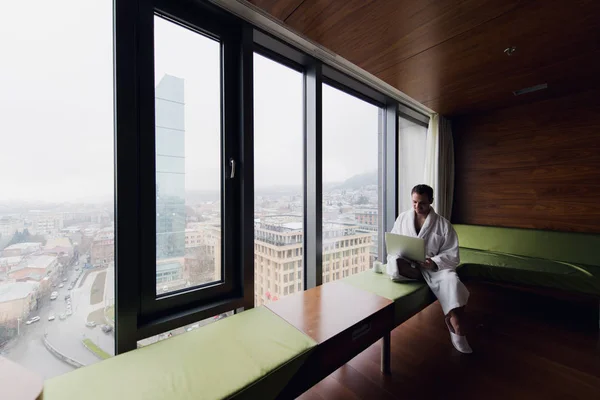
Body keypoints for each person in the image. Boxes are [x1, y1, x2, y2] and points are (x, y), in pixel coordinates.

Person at [386, 184, 472, 354]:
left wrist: (432, 262)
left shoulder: (443, 225)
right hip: (409, 264)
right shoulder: (402, 218)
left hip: (434, 267)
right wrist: (403, 254)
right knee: (395, 262)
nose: (418, 207)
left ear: (431, 201)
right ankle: (416, 273)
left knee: (452, 281)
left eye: (422, 203)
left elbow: (452, 254)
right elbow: (394, 243)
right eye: (414, 203)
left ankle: (455, 323)